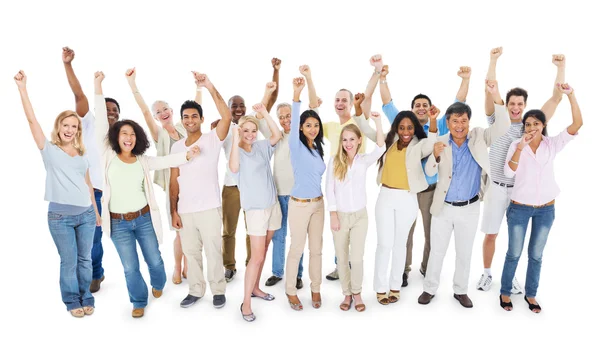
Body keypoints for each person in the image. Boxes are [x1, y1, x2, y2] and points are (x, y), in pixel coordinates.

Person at [94, 71, 200, 318]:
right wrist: (97, 85)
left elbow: (165, 161)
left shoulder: (142, 160)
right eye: (124, 134)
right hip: (119, 223)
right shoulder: (106, 155)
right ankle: (139, 301)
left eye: (132, 134)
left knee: (154, 262)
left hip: (143, 219)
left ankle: (158, 283)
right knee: (130, 267)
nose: (128, 138)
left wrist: (187, 155)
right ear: (116, 137)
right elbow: (101, 118)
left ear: (137, 138)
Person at [476, 49, 566, 292]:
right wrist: (493, 60)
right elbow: (490, 88)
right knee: (491, 234)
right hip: (496, 187)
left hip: (520, 193)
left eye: (520, 104)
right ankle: (486, 274)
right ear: (505, 105)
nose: (515, 108)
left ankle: (510, 276)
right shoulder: (497, 121)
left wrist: (560, 68)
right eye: (511, 104)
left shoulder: (531, 125)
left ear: (525, 106)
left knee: (514, 240)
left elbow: (556, 99)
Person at [15, 70, 101, 317]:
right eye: (66, 125)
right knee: (69, 261)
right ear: (59, 127)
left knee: (85, 260)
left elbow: (88, 183)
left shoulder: (82, 153)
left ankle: (87, 296)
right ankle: (72, 300)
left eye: (74, 126)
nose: (70, 129)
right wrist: (23, 89)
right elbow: (32, 121)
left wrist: (96, 213)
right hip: (60, 217)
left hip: (85, 214)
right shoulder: (48, 149)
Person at [377, 63, 471, 287]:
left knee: (432, 232)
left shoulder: (438, 123)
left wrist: (465, 81)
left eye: (425, 105)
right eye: (417, 105)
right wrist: (383, 78)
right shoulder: (404, 125)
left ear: (431, 109)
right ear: (411, 109)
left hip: (430, 190)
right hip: (408, 191)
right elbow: (388, 105)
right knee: (405, 233)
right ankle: (404, 270)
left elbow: (458, 106)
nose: (421, 108)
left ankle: (427, 266)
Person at [418, 81, 509, 308]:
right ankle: (429, 289)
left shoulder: (479, 137)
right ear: (447, 122)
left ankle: (460, 291)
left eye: (464, 121)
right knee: (437, 251)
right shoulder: (439, 141)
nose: (460, 125)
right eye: (455, 121)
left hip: (470, 207)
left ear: (469, 121)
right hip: (443, 207)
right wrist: (435, 157)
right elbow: (429, 172)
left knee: (464, 253)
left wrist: (495, 94)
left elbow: (503, 126)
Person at [499, 83, 581, 313]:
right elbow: (508, 172)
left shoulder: (551, 144)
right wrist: (519, 148)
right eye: (528, 124)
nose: (532, 127)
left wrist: (571, 96)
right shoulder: (516, 145)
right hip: (520, 208)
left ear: (544, 125)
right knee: (514, 253)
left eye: (536, 123)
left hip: (546, 209)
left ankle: (531, 295)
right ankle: (505, 292)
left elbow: (577, 124)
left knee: (536, 255)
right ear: (524, 127)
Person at [125, 67, 203, 285]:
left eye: (165, 108)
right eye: (158, 111)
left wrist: (199, 86)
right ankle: (178, 267)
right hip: (173, 186)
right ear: (157, 117)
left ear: (172, 110)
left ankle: (189, 266)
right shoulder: (158, 133)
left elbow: (196, 106)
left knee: (192, 229)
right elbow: (144, 112)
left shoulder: (182, 127)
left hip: (193, 182)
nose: (162, 112)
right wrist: (133, 85)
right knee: (180, 230)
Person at [169, 73, 232, 310]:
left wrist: (208, 86)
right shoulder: (176, 147)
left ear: (202, 119)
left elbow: (226, 115)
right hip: (185, 211)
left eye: (194, 116)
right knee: (191, 252)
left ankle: (218, 290)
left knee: (214, 252)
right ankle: (195, 290)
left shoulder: (212, 139)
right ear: (182, 121)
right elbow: (174, 181)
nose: (190, 120)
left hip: (208, 207)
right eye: (186, 117)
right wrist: (173, 211)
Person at [220, 59, 281, 282]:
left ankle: (250, 265)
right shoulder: (224, 128)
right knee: (229, 229)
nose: (237, 108)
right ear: (228, 109)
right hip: (231, 185)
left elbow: (267, 102)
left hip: (253, 188)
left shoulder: (248, 127)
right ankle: (229, 265)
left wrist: (274, 75)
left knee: (253, 228)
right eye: (233, 106)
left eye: (240, 105)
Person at [373, 110, 437, 305]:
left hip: (408, 198)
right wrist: (375, 121)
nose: (406, 131)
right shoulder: (389, 141)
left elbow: (432, 141)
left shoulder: (419, 145)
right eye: (402, 127)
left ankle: (395, 286)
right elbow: (369, 133)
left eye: (409, 127)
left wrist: (433, 120)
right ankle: (380, 287)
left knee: (400, 244)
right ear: (397, 128)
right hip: (385, 196)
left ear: (415, 128)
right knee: (384, 244)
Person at [326, 112, 385, 312]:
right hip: (340, 217)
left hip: (360, 216)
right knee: (342, 258)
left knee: (356, 258)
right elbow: (329, 190)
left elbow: (381, 148)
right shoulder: (334, 162)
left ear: (359, 141)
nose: (348, 143)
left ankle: (357, 292)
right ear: (341, 142)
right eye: (345, 140)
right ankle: (347, 294)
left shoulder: (363, 160)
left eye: (352, 139)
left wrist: (377, 121)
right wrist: (333, 215)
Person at [229, 103, 283, 321]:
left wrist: (265, 113)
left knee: (264, 251)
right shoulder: (237, 153)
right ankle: (246, 303)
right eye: (245, 131)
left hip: (272, 205)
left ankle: (256, 288)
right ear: (240, 131)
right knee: (256, 257)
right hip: (255, 212)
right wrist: (235, 138)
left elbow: (277, 134)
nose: (250, 134)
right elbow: (233, 168)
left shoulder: (261, 146)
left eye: (253, 130)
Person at [61, 47, 106, 293]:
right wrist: (68, 65)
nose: (109, 113)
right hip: (88, 191)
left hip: (111, 192)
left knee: (99, 238)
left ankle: (95, 271)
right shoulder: (89, 124)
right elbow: (79, 95)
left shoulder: (121, 135)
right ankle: (94, 274)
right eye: (105, 109)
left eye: (114, 112)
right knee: (89, 238)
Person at [256, 82, 305, 289]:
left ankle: (298, 274)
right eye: (281, 117)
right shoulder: (275, 136)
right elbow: (259, 117)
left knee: (297, 236)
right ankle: (277, 272)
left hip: (298, 196)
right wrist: (267, 92)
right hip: (278, 195)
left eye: (288, 115)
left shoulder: (302, 136)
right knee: (278, 235)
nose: (285, 120)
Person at [285, 76, 326, 311]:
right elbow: (298, 113)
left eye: (316, 125)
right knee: (297, 249)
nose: (312, 128)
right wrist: (297, 94)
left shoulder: (318, 148)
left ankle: (316, 288)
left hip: (319, 204)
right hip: (299, 205)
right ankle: (291, 291)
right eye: (308, 125)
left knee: (317, 249)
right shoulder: (296, 145)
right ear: (301, 127)